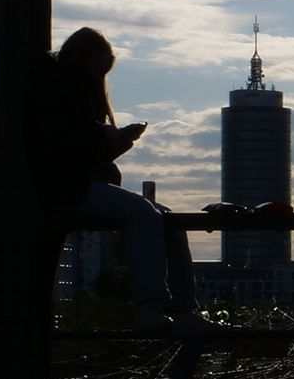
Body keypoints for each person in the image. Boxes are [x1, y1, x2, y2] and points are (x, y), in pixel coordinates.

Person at [30, 27, 212, 334]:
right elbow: (62, 145)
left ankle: (174, 308)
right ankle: (156, 307)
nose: (98, 74)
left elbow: (67, 145)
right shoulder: (56, 91)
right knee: (146, 213)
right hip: (67, 188)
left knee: (166, 218)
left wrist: (113, 141)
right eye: (96, 67)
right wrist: (103, 136)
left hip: (72, 184)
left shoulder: (57, 87)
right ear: (81, 60)